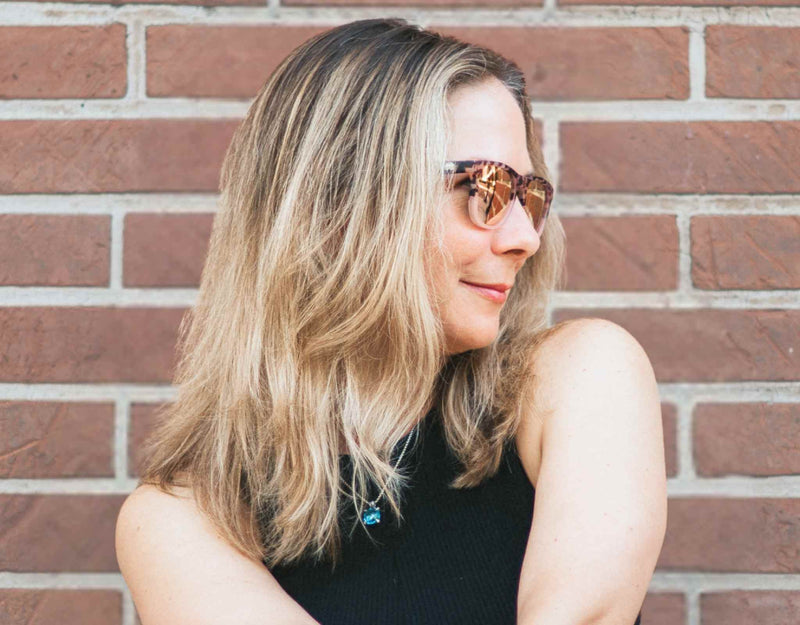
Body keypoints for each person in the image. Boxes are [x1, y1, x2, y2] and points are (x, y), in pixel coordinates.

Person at [115, 17, 667, 625]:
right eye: (483, 189)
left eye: (527, 195)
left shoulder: (577, 379)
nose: (524, 238)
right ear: (337, 208)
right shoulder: (182, 518)